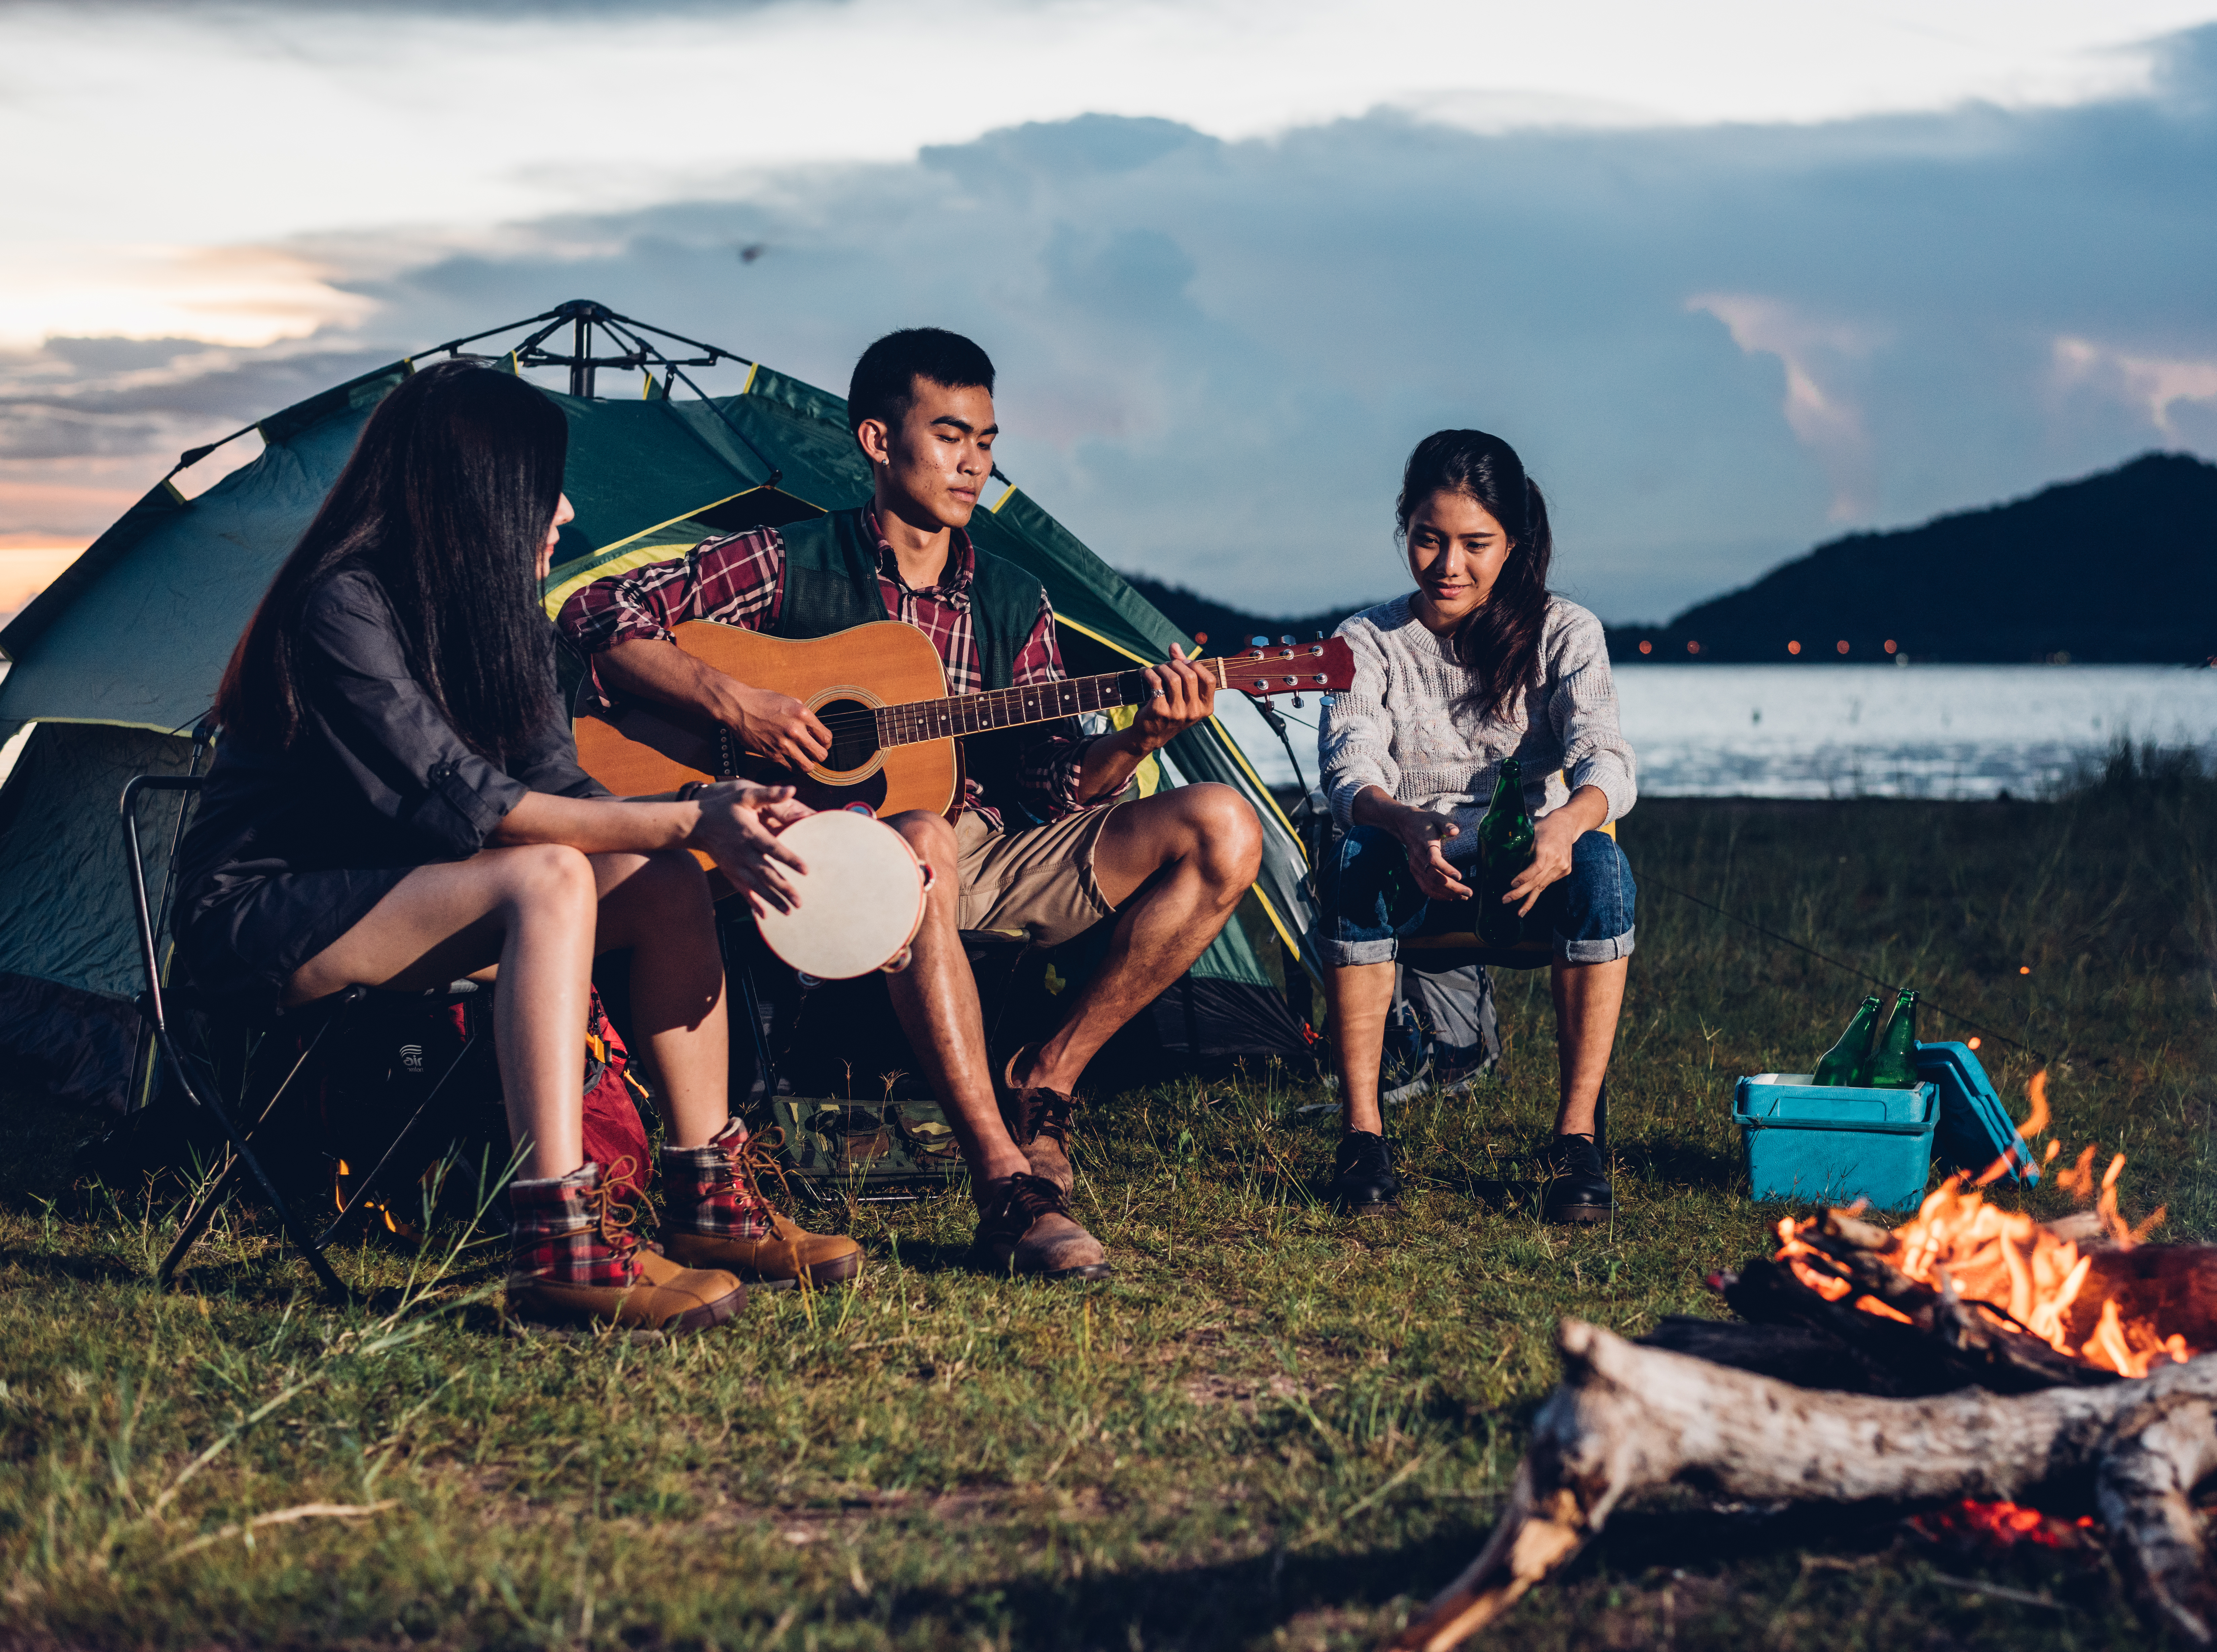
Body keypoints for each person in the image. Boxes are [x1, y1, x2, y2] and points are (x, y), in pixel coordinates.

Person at [176, 360, 868, 1333]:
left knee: (663, 875)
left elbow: (569, 794)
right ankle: (557, 1242)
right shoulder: (339, 607)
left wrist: (719, 818)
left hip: (411, 891)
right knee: (546, 876)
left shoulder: (510, 625)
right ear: (477, 495)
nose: (566, 512)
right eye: (545, 488)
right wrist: (687, 814)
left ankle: (707, 1196)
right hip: (264, 917)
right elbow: (476, 805)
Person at [558, 328, 1263, 1280]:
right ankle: (1006, 1185)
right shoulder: (787, 559)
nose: (975, 463)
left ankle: (1045, 1079)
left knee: (1223, 824)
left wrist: (1140, 738)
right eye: (950, 435)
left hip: (973, 852)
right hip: (801, 851)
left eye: (987, 441)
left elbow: (1052, 783)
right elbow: (596, 611)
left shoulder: (1012, 598)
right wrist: (738, 704)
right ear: (878, 441)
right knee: (919, 834)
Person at [1317, 429, 1639, 1222]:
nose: (1447, 564)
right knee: (1354, 853)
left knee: (1602, 866)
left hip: (1525, 862)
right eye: (1428, 538)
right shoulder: (1366, 640)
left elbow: (1605, 758)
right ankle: (1362, 1134)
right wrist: (1401, 822)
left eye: (1474, 543)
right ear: (1405, 528)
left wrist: (1565, 826)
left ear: (1513, 543)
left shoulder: (1564, 631)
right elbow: (1349, 766)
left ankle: (1574, 1139)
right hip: (1413, 858)